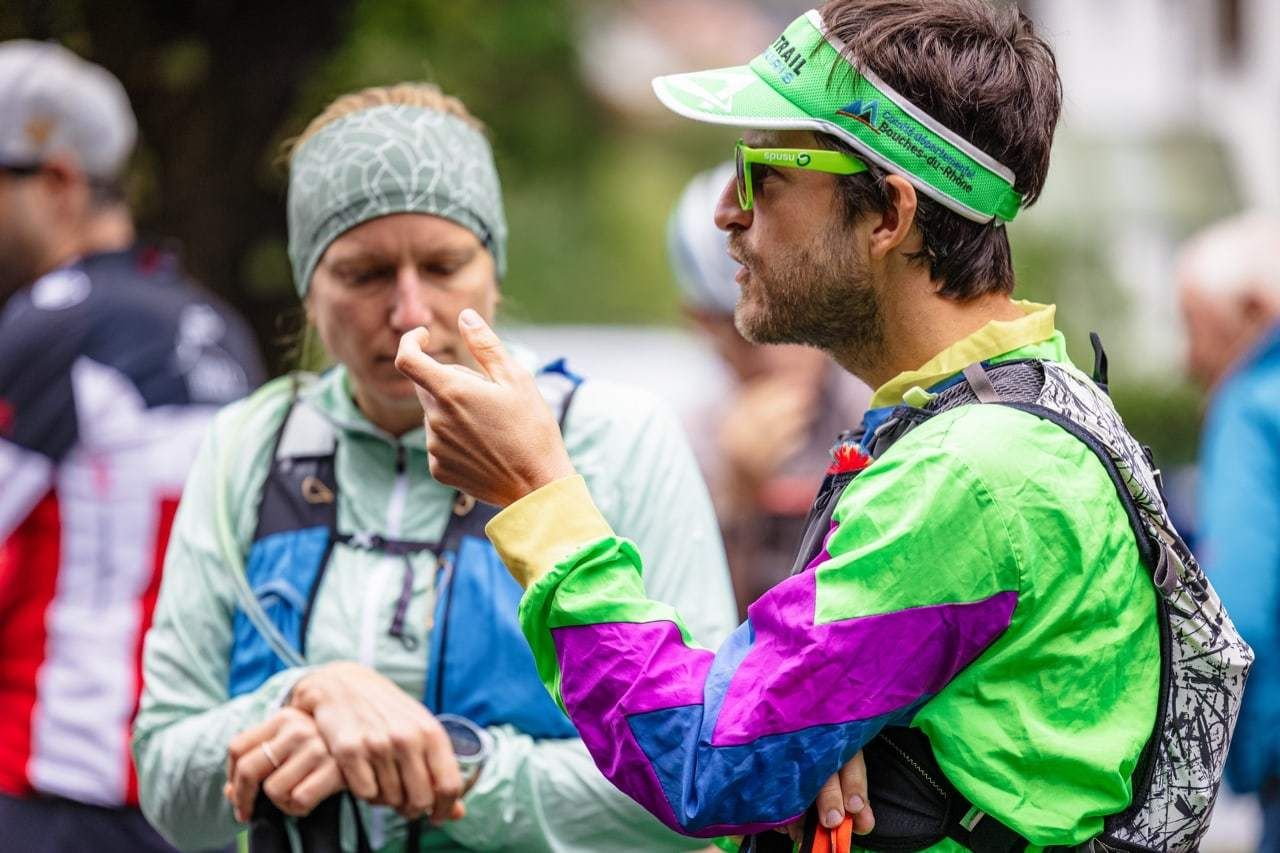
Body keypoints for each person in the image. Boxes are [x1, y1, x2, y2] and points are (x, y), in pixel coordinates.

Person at [394, 2, 1251, 851]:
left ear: (889, 216)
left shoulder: (970, 474)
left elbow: (700, 758)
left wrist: (537, 494)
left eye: (762, 172)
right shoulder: (1018, 406)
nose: (726, 211)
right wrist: (828, 740)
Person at [132, 83, 737, 853]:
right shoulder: (248, 446)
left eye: (444, 265)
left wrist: (441, 764)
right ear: (308, 287)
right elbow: (166, 784)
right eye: (364, 273)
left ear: (494, 269)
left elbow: (700, 779)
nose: (409, 312)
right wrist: (304, 698)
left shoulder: (615, 439)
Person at [0, 41, 264, 852]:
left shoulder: (52, 323)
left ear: (58, 182)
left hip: (45, 789)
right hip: (186, 797)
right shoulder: (218, 329)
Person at [669, 164, 868, 617]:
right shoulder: (691, 445)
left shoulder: (879, 408)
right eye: (748, 330)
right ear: (702, 324)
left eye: (789, 317)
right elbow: (701, 628)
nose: (777, 349)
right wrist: (736, 500)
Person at [1176, 213, 1280, 849]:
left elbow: (1237, 611)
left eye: (1193, 324)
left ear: (1251, 310)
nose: (1188, 360)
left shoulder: (1250, 404)